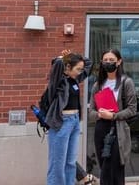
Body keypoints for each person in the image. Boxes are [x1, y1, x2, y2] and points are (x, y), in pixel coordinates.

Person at [88, 49, 138, 185]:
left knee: (115, 167)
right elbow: (90, 112)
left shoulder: (126, 82)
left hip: (118, 128)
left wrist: (113, 116)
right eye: (105, 60)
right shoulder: (97, 85)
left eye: (111, 60)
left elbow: (132, 109)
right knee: (104, 166)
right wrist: (99, 114)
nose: (108, 63)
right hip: (100, 128)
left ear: (119, 61)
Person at [44, 52, 89, 185]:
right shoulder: (58, 81)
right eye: (78, 69)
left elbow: (89, 64)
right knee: (57, 162)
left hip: (74, 121)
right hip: (62, 122)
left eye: (81, 69)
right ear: (68, 67)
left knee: (70, 162)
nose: (80, 72)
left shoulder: (74, 80)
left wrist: (76, 57)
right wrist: (65, 57)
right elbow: (58, 64)